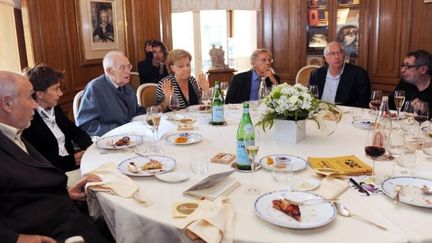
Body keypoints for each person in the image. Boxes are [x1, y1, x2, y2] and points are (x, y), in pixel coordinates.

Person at [0, 71, 108, 242]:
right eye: (29, 97)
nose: (34, 105)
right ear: (7, 104)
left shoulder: (15, 131)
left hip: (64, 209)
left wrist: (66, 193)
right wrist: (17, 238)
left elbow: (28, 182)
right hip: (48, 229)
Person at [22, 64, 92, 172]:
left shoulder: (54, 108)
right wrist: (72, 160)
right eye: (56, 89)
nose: (60, 93)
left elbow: (75, 131)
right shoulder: (28, 121)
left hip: (73, 164)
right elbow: (40, 161)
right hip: (54, 173)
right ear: (40, 94)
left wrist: (90, 147)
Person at [76, 51, 146, 136]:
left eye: (128, 66)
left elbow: (137, 110)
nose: (128, 71)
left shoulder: (126, 85)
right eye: (123, 68)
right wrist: (119, 130)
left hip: (130, 136)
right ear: (109, 71)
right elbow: (86, 126)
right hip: (110, 140)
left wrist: (145, 118)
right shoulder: (95, 89)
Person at [309, 41, 371, 108]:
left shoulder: (359, 74)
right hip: (320, 114)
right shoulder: (316, 74)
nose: (337, 57)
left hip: (347, 115)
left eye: (340, 52)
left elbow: (363, 102)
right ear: (326, 58)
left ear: (344, 55)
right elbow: (310, 98)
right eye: (332, 53)